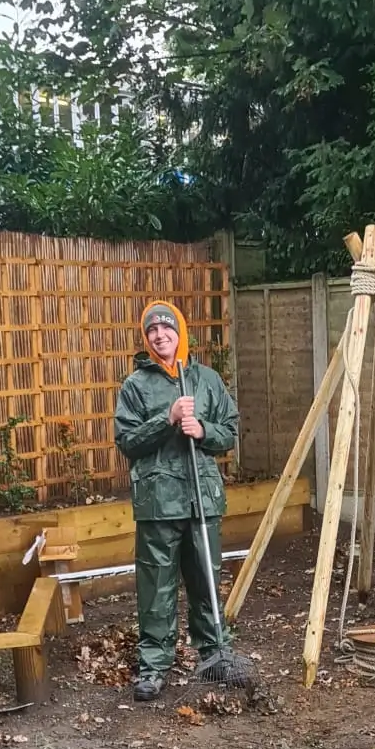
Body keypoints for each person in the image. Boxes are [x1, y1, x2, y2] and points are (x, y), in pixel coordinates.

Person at [114, 301, 239, 702]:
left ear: (180, 332)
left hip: (203, 498)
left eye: (166, 328)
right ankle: (153, 667)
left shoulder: (207, 380)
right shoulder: (135, 386)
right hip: (158, 503)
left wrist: (202, 429)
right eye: (152, 330)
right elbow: (127, 442)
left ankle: (215, 654)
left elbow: (229, 431)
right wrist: (165, 419)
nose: (159, 335)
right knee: (156, 588)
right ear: (146, 337)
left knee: (206, 580)